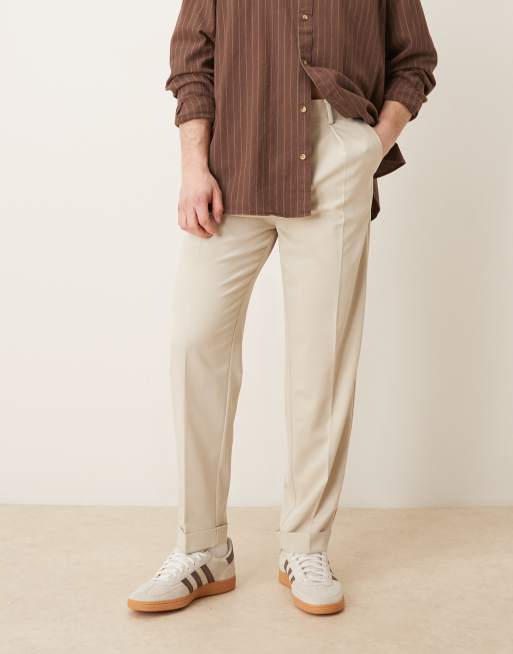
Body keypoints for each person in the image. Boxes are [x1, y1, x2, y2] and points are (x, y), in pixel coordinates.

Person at [128, 0, 437, 616]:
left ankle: (305, 546)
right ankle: (202, 547)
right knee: (195, 340)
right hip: (234, 158)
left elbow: (415, 60)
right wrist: (193, 164)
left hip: (334, 158)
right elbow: (192, 57)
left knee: (321, 362)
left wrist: (369, 147)